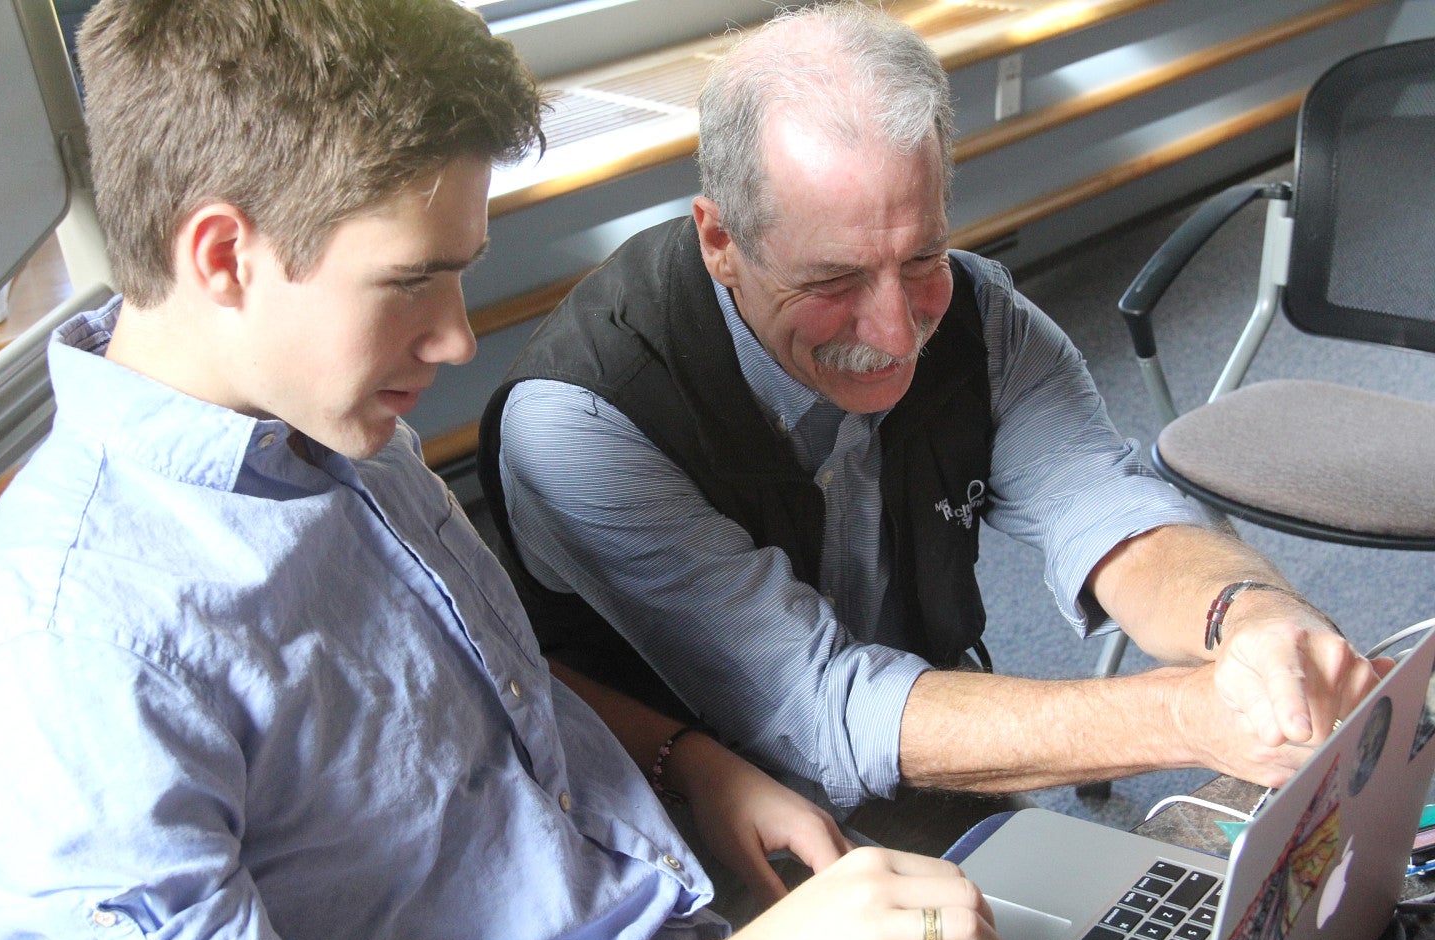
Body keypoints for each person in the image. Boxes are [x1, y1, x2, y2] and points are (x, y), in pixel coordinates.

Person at [0, 1, 1003, 940]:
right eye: (410, 281)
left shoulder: (338, 432)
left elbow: (462, 689)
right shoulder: (82, 651)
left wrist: (688, 765)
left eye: (460, 272)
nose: (458, 338)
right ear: (223, 254)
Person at [479, 1, 1389, 857]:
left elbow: (1110, 510)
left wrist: (1247, 615)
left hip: (911, 746)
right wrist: (1186, 716)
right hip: (672, 806)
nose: (894, 330)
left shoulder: (980, 314)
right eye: (833, 280)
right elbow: (815, 703)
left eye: (921, 256)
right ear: (720, 240)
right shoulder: (584, 421)